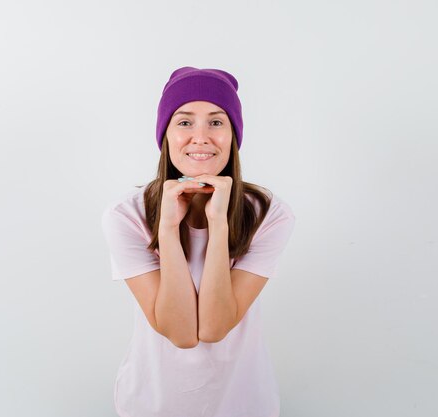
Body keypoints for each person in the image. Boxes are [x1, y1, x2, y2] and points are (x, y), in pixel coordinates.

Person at [101, 66, 297, 417]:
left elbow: (212, 327)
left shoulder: (270, 214)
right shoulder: (125, 216)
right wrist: (167, 229)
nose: (201, 136)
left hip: (242, 402)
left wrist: (218, 224)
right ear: (165, 135)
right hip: (151, 403)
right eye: (185, 122)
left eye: (217, 122)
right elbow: (181, 334)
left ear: (234, 135)